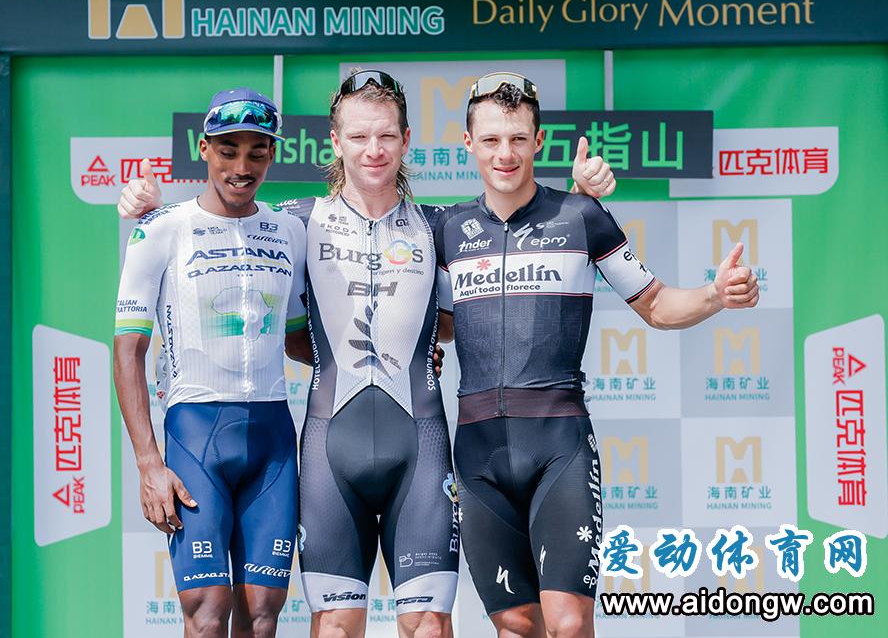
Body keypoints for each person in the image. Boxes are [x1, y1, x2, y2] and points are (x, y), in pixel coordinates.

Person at [118, 70, 617, 638]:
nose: (373, 149)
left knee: (429, 627)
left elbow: (511, 241)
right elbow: (223, 221)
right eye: (358, 136)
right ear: (336, 142)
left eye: (385, 136)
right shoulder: (293, 223)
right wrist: (150, 208)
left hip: (420, 448)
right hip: (331, 448)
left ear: (406, 141)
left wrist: (580, 196)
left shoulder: (444, 225)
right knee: (333, 626)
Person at [433, 72, 760, 638]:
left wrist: (715, 294)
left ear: (539, 141)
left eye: (517, 138)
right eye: (490, 140)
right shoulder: (448, 229)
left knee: (568, 621)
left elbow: (655, 303)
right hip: (478, 452)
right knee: (515, 625)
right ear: (468, 143)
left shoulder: (580, 217)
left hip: (558, 444)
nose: (505, 153)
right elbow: (438, 328)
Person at [114, 88, 307, 638]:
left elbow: (299, 341)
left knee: (263, 616)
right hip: (196, 433)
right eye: (227, 151)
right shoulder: (160, 228)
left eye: (256, 152)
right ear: (204, 149)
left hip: (272, 437)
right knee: (205, 613)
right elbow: (128, 349)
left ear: (272, 155)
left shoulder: (290, 231)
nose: (241, 167)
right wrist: (148, 464)